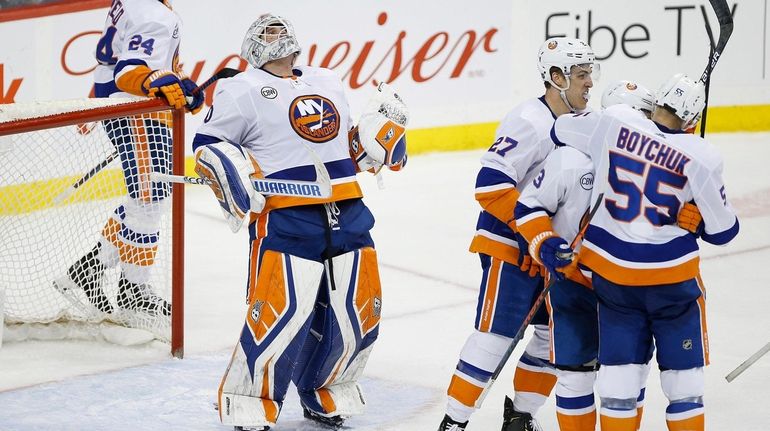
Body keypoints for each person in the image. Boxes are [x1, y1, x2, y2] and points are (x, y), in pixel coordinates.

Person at [190, 14, 408, 431]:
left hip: (348, 209)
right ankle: (250, 404)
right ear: (252, 45)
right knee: (279, 312)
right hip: (287, 214)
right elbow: (208, 143)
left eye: (281, 30)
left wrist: (377, 139)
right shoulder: (241, 88)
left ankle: (327, 393)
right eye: (266, 31)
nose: (276, 36)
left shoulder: (327, 80)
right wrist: (229, 170)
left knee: (357, 312)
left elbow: (345, 146)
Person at [547, 73, 739, 431]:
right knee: (684, 390)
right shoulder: (703, 156)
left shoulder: (615, 121)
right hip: (672, 284)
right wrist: (694, 220)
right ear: (694, 120)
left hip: (614, 279)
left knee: (619, 385)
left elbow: (560, 130)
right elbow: (724, 231)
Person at [438, 37, 597, 431]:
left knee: (548, 337)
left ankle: (520, 418)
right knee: (496, 337)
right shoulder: (530, 120)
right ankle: (453, 422)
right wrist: (531, 236)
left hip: (548, 251)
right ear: (556, 77)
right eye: (581, 75)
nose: (589, 83)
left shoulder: (581, 125)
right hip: (511, 247)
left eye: (590, 74)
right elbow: (490, 186)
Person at [513, 80, 658, 431]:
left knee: (627, 377)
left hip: (628, 289)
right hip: (574, 284)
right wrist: (545, 243)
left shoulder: (657, 167)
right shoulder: (568, 159)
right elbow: (529, 207)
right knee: (575, 377)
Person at [53, 0, 203, 337]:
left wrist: (179, 82)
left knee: (145, 200)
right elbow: (130, 71)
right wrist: (156, 81)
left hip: (128, 107)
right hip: (134, 110)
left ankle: (88, 271)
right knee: (150, 201)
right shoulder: (155, 13)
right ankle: (133, 293)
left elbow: (135, 60)